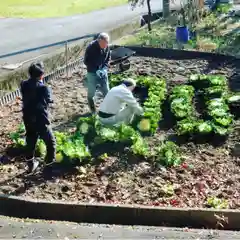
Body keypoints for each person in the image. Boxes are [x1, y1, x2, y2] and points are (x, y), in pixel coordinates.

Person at [20, 62, 56, 173]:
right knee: (51, 143)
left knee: (31, 141)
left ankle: (31, 165)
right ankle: (48, 165)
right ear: (41, 75)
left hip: (28, 118)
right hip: (40, 119)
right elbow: (49, 100)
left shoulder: (23, 84)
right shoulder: (43, 87)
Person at [84, 32, 111, 113]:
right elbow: (86, 61)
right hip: (92, 72)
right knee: (91, 92)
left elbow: (107, 59)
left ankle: (109, 109)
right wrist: (96, 70)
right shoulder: (91, 48)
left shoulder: (107, 47)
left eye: (107, 43)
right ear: (99, 41)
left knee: (106, 90)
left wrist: (104, 68)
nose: (105, 46)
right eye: (104, 44)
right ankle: (92, 110)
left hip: (102, 72)